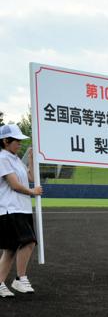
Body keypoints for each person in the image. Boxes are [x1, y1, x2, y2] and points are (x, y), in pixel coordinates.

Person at [0, 124, 43, 297]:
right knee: (29, 241)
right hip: (11, 208)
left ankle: (1, 283)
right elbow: (14, 184)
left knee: (10, 248)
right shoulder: (3, 158)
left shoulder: (15, 159)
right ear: (5, 141)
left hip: (21, 208)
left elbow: (31, 177)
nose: (20, 144)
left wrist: (31, 158)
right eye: (16, 140)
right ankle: (20, 278)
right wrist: (33, 192)